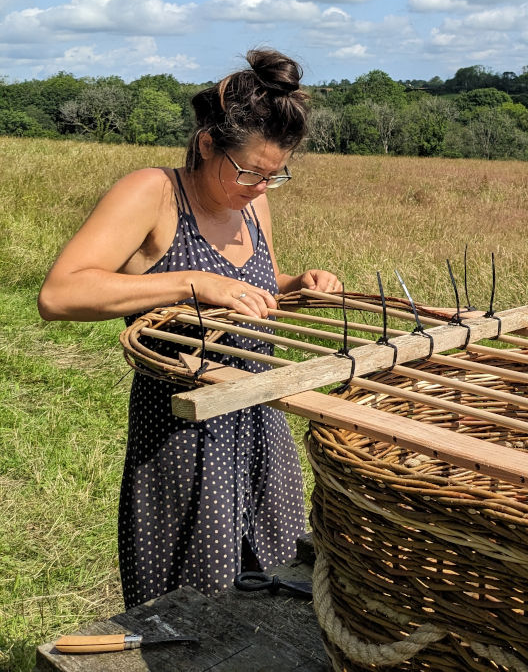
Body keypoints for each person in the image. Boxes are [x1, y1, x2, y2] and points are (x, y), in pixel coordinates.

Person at [38, 48, 340, 609]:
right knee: (192, 599)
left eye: (275, 176)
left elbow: (258, 287)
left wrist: (298, 284)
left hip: (260, 418)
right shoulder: (152, 192)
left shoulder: (252, 203)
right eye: (250, 171)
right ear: (207, 144)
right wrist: (191, 281)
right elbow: (60, 294)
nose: (259, 186)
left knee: (275, 586)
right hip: (184, 429)